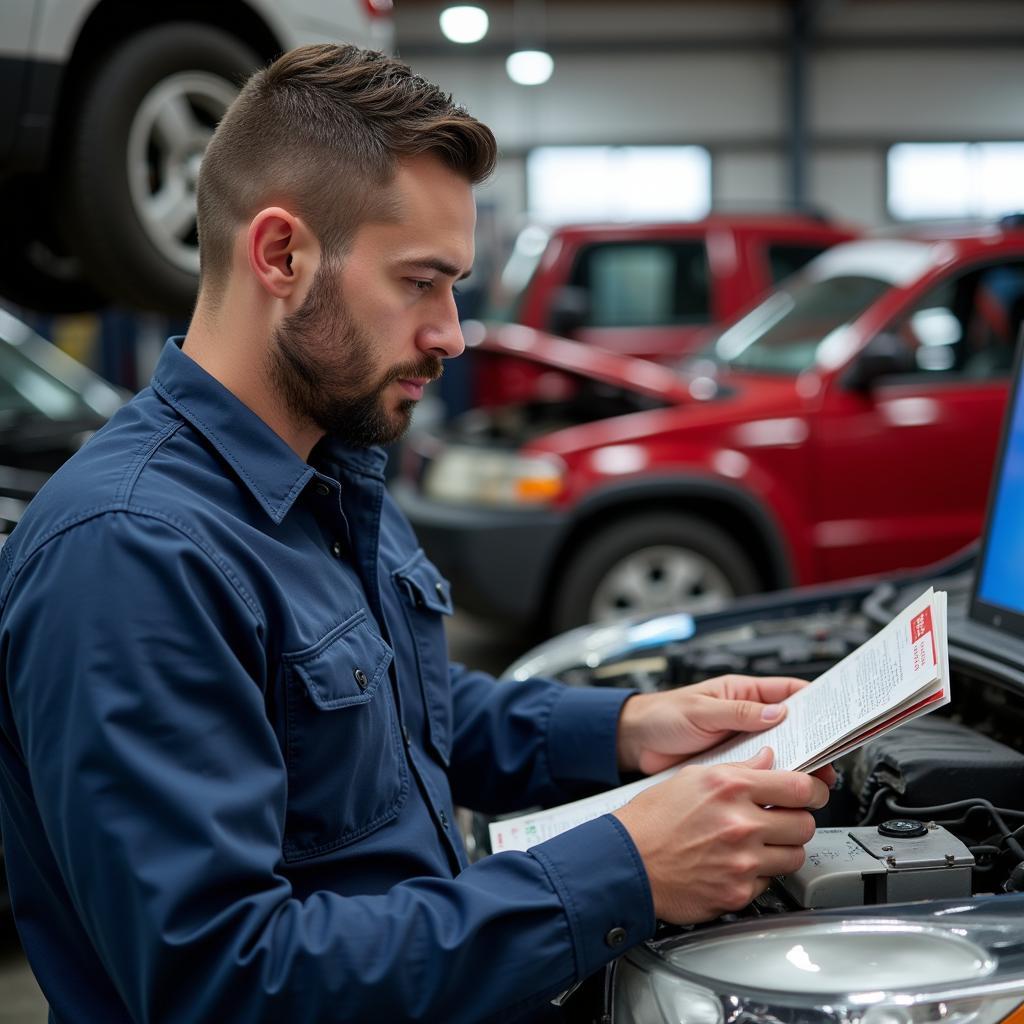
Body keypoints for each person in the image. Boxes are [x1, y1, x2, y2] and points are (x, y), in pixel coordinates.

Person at [0, 45, 831, 1023]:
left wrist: (623, 727)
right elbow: (224, 984)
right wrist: (623, 871)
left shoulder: (328, 460)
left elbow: (383, 717)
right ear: (280, 255)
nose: (453, 332)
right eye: (421, 282)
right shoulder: (131, 553)